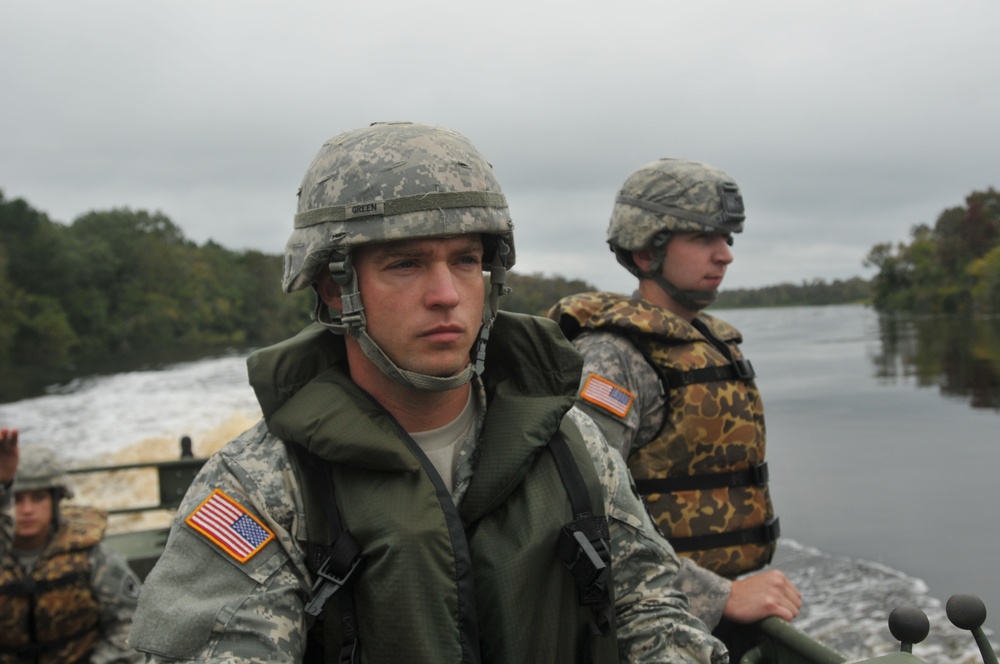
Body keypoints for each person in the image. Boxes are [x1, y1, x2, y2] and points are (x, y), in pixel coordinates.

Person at [128, 122, 727, 663]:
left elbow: (653, 612)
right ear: (337, 290)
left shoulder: (572, 446)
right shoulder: (267, 484)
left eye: (465, 260)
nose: (446, 293)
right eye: (405, 264)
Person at [546, 159, 802, 638]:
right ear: (647, 251)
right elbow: (575, 518)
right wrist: (717, 596)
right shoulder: (613, 357)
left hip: (708, 608)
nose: (725, 255)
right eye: (705, 238)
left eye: (728, 239)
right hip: (647, 622)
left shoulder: (706, 341)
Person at [0, 427, 143, 664]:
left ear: (56, 500)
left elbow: (133, 622)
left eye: (38, 498)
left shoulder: (91, 557)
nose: (26, 510)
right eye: (16, 499)